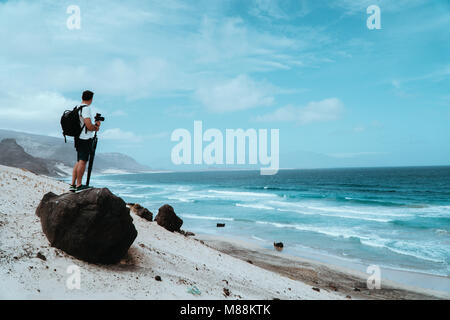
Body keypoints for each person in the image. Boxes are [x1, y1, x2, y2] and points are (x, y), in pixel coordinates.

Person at [70, 90, 101, 192]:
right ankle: (79, 185)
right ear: (91, 99)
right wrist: (96, 126)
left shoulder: (78, 107)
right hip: (85, 138)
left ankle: (73, 184)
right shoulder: (86, 109)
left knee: (79, 161)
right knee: (83, 162)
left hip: (78, 137)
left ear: (82, 97)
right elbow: (88, 125)